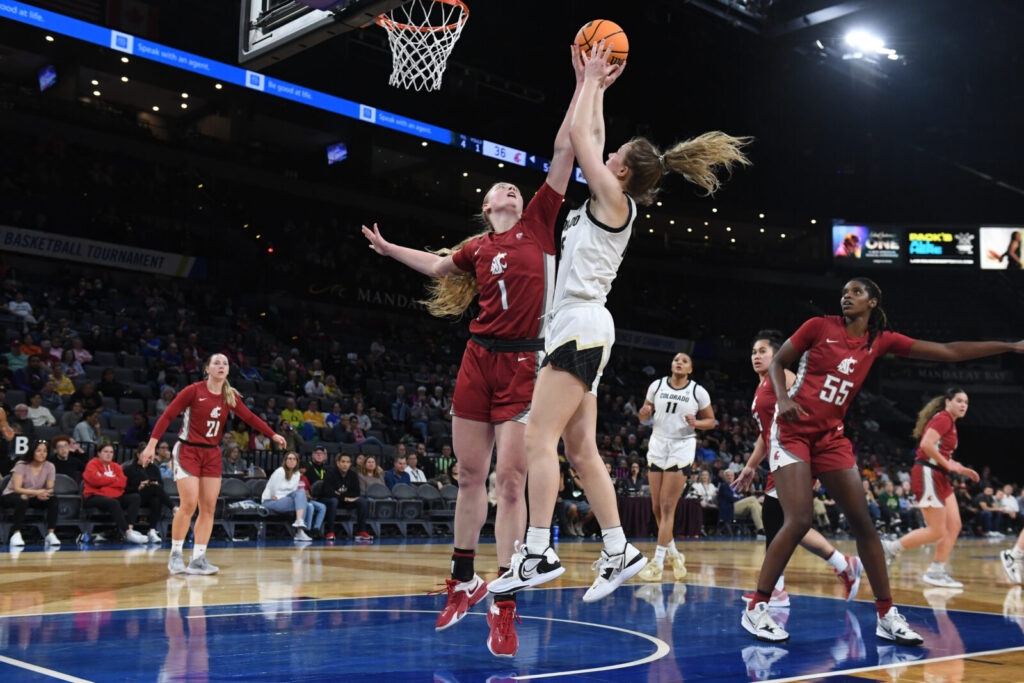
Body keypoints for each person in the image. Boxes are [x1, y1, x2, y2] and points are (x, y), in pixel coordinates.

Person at [492, 42, 750, 605]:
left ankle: (537, 549)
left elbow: (584, 142)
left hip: (579, 323)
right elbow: (594, 140)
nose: (604, 160)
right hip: (586, 326)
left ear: (623, 172)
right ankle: (619, 550)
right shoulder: (611, 194)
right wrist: (597, 89)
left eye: (614, 160)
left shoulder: (616, 201)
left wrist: (586, 79)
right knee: (582, 449)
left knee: (540, 436)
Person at [361, 45, 592, 659]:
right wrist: (391, 253)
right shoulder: (476, 248)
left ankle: (505, 606)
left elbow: (566, 149)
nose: (511, 190)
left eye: (514, 188)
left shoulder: (541, 220)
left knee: (510, 483)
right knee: (469, 476)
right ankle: (462, 580)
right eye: (501, 191)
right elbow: (439, 265)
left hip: (525, 362)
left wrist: (581, 83)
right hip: (478, 359)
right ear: (488, 208)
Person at [743, 276, 1023, 645]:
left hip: (831, 437)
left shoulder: (879, 341)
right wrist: (784, 399)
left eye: (856, 292)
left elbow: (949, 351)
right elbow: (779, 361)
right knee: (798, 519)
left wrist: (1011, 345)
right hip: (793, 432)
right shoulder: (819, 326)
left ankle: (886, 614)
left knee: (864, 525)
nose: (847, 297)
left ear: (873, 302)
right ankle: (757, 608)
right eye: (844, 293)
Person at [733, 330, 864, 608]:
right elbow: (763, 433)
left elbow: (813, 414)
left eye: (763, 351)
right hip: (778, 460)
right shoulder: (761, 389)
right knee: (786, 523)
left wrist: (813, 465)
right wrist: (750, 466)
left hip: (796, 458)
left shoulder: (786, 378)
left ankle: (782, 587)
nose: (757, 356)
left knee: (778, 519)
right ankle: (840, 566)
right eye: (754, 352)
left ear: (778, 355)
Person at [143, 353, 286, 575]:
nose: (221, 366)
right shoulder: (193, 390)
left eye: (225, 363)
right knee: (188, 504)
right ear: (207, 369)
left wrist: (272, 434)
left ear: (228, 371)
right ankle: (176, 555)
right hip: (187, 450)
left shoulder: (230, 396)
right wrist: (151, 445)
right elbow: (168, 415)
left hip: (211, 454)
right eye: (216, 363)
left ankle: (198, 559)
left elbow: (250, 418)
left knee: (209, 507)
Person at [881, 388, 979, 588]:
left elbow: (943, 454)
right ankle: (890, 548)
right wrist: (949, 464)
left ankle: (936, 571)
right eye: (959, 400)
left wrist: (958, 467)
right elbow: (926, 445)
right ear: (947, 402)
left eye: (966, 402)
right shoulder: (943, 418)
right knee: (936, 530)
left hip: (940, 476)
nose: (963, 405)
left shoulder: (950, 423)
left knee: (954, 526)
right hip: (927, 475)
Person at [636, 353, 714, 582]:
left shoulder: (697, 391)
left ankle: (658, 563)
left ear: (690, 369)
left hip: (682, 446)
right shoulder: (656, 385)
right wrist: (643, 415)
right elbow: (643, 417)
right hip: (657, 443)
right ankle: (675, 555)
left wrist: (697, 423)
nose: (679, 362)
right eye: (675, 360)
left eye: (685, 361)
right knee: (657, 509)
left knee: (668, 506)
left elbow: (711, 421)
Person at [83, 443, 148, 544]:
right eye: (105, 452)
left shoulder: (116, 466)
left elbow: (122, 483)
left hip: (112, 496)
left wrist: (104, 480)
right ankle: (127, 533)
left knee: (135, 497)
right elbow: (95, 481)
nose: (109, 454)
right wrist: (114, 480)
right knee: (113, 502)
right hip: (93, 497)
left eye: (111, 452)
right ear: (99, 453)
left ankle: (130, 529)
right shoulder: (92, 464)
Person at [2, 440, 60, 546]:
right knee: (23, 498)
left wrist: (46, 493)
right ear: (32, 452)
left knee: (53, 499)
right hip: (12, 495)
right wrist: (37, 492)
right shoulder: (21, 464)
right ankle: (16, 533)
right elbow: (17, 489)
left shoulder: (50, 466)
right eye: (39, 451)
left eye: (45, 451)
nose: (42, 453)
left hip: (34, 496)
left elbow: (50, 488)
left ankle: (50, 534)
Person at [124, 445, 174, 543]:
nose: (148, 458)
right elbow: (125, 488)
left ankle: (152, 530)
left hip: (150, 497)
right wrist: (138, 487)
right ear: (138, 455)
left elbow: (161, 484)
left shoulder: (154, 468)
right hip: (135, 496)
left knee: (156, 499)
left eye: (150, 456)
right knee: (154, 489)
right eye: (145, 455)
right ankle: (173, 508)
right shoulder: (129, 469)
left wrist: (155, 483)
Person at [262, 451, 315, 542]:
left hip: (285, 500)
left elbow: (294, 491)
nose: (291, 461)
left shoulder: (297, 474)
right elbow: (273, 490)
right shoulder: (280, 471)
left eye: (294, 459)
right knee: (303, 504)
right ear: (285, 461)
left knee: (301, 492)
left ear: (297, 462)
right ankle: (299, 532)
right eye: (289, 459)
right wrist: (277, 497)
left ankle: (299, 522)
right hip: (270, 501)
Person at [323, 453, 372, 540]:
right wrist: (344, 497)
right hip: (329, 500)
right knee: (333, 501)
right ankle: (330, 532)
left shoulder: (353, 475)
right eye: (343, 462)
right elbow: (328, 492)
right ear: (338, 463)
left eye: (348, 462)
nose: (345, 464)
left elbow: (356, 492)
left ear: (350, 464)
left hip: (345, 500)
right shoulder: (330, 473)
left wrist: (341, 496)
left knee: (362, 501)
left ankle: (361, 531)